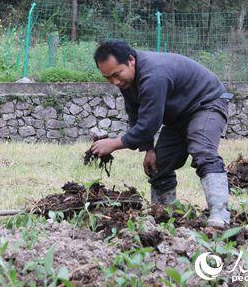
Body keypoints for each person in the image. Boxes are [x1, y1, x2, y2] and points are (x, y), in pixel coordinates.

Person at [89, 39, 232, 227]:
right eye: (108, 78)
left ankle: (220, 215)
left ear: (131, 60)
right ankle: (165, 216)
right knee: (158, 164)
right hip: (178, 116)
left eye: (117, 74)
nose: (115, 82)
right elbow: (136, 114)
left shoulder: (154, 75)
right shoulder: (127, 82)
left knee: (202, 149)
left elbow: (148, 125)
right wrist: (148, 149)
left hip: (206, 103)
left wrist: (114, 144)